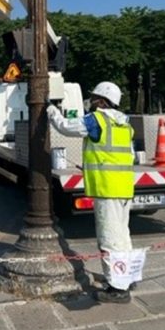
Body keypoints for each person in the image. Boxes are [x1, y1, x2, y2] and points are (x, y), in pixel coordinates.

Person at [48, 81, 136, 304]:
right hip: (124, 188)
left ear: (102, 101)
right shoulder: (125, 124)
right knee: (122, 237)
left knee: (109, 239)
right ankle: (127, 277)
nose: (92, 101)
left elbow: (65, 126)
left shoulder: (97, 120)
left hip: (106, 189)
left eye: (94, 97)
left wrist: (50, 109)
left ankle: (117, 289)